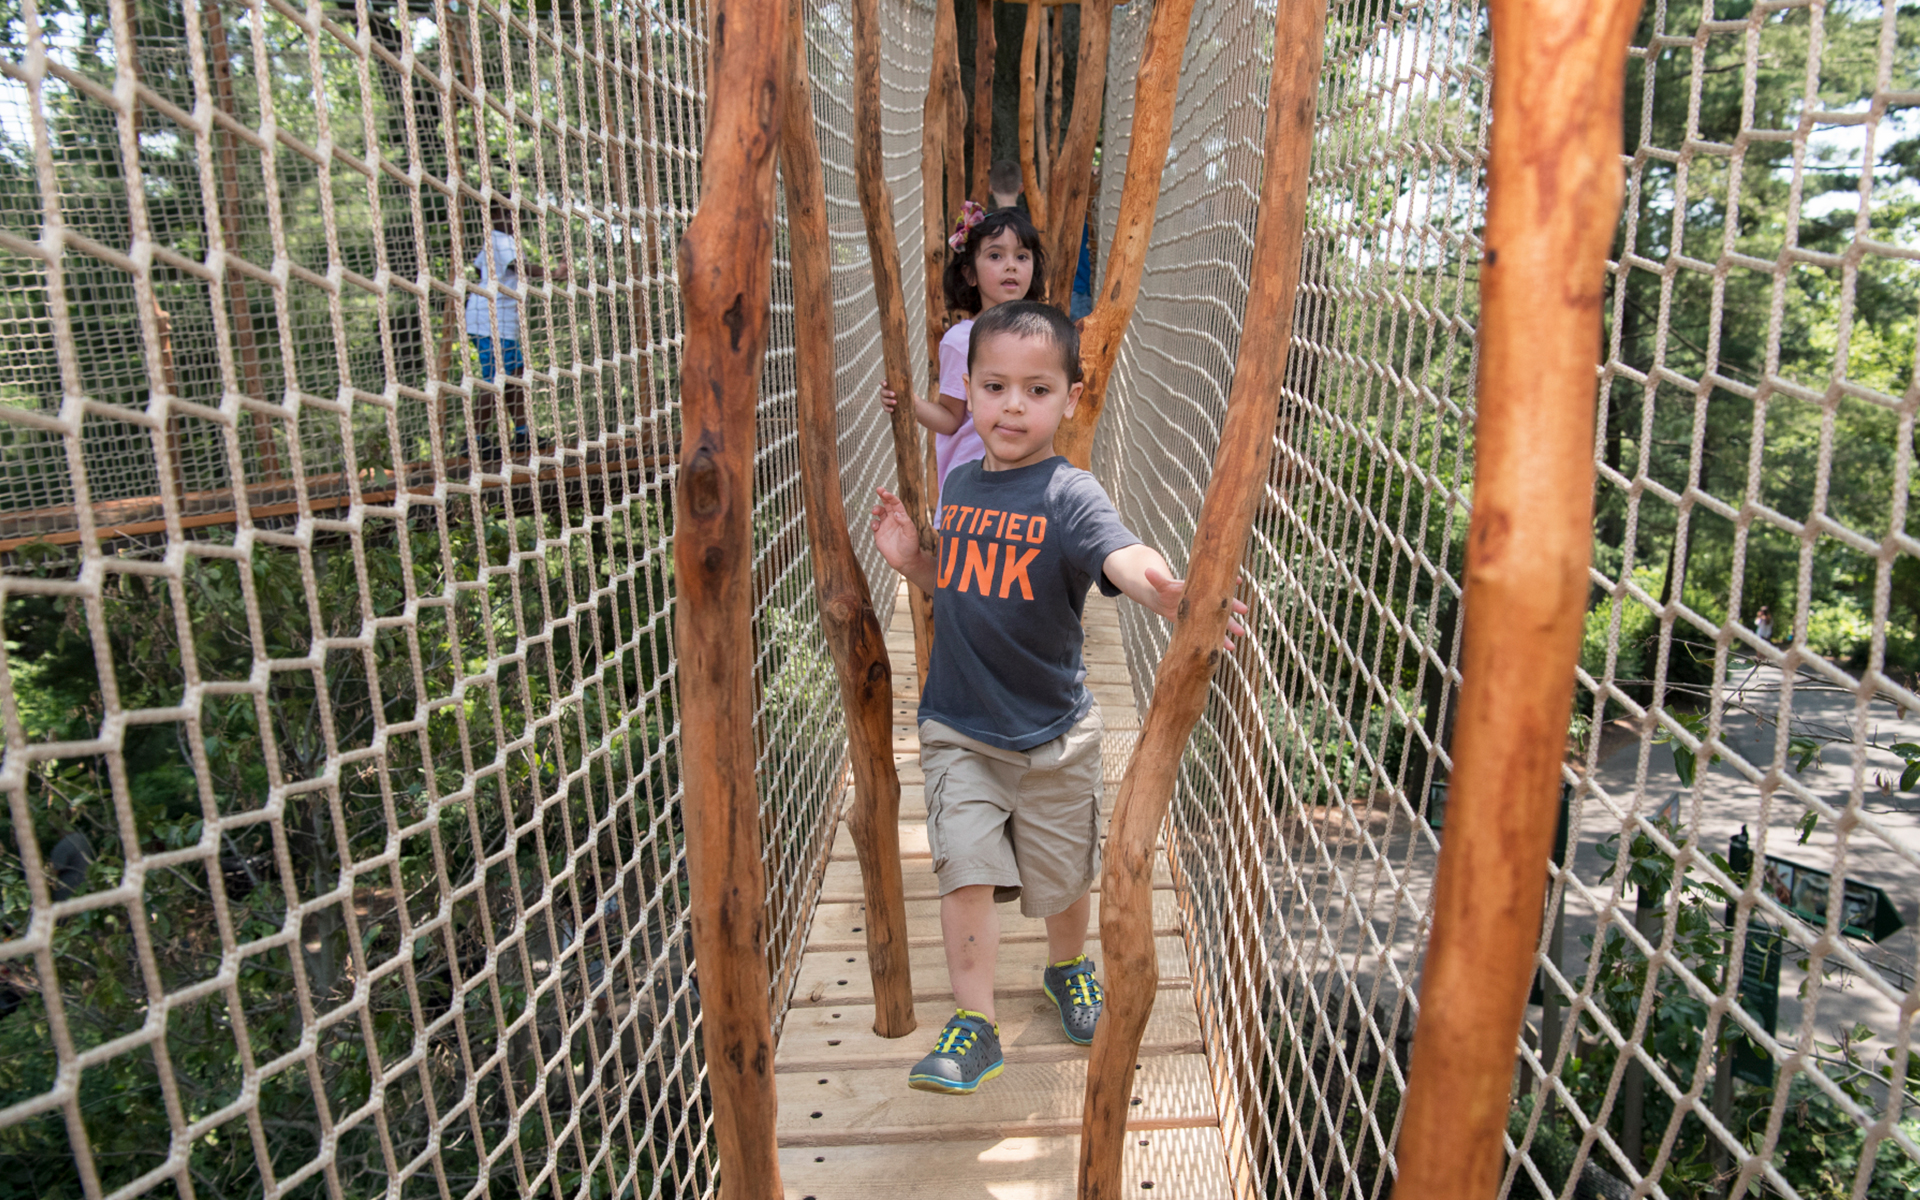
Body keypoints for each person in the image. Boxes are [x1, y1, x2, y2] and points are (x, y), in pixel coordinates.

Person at [870, 302, 1247, 1094]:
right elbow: (960, 581)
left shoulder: (1068, 493)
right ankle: (974, 1025)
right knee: (963, 872)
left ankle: (1065, 966)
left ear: (1070, 400)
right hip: (960, 725)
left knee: (1063, 880)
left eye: (1036, 390)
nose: (1013, 405)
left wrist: (1163, 592)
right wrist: (914, 560)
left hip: (1053, 733)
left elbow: (1120, 551)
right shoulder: (963, 481)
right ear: (966, 393)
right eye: (995, 386)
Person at [881, 202, 1048, 510]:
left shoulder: (1043, 337)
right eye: (996, 255)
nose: (1011, 265)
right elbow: (949, 418)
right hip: (973, 488)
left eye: (1022, 256)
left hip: (1027, 480)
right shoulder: (962, 340)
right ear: (970, 274)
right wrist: (909, 402)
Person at [465, 198, 564, 456]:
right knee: (496, 377)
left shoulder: (495, 242)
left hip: (498, 321)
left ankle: (521, 434)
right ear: (495, 215)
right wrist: (554, 272)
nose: (514, 220)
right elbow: (517, 267)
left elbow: (480, 270)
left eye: (515, 215)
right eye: (507, 215)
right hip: (492, 321)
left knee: (516, 375)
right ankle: (473, 439)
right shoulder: (499, 239)